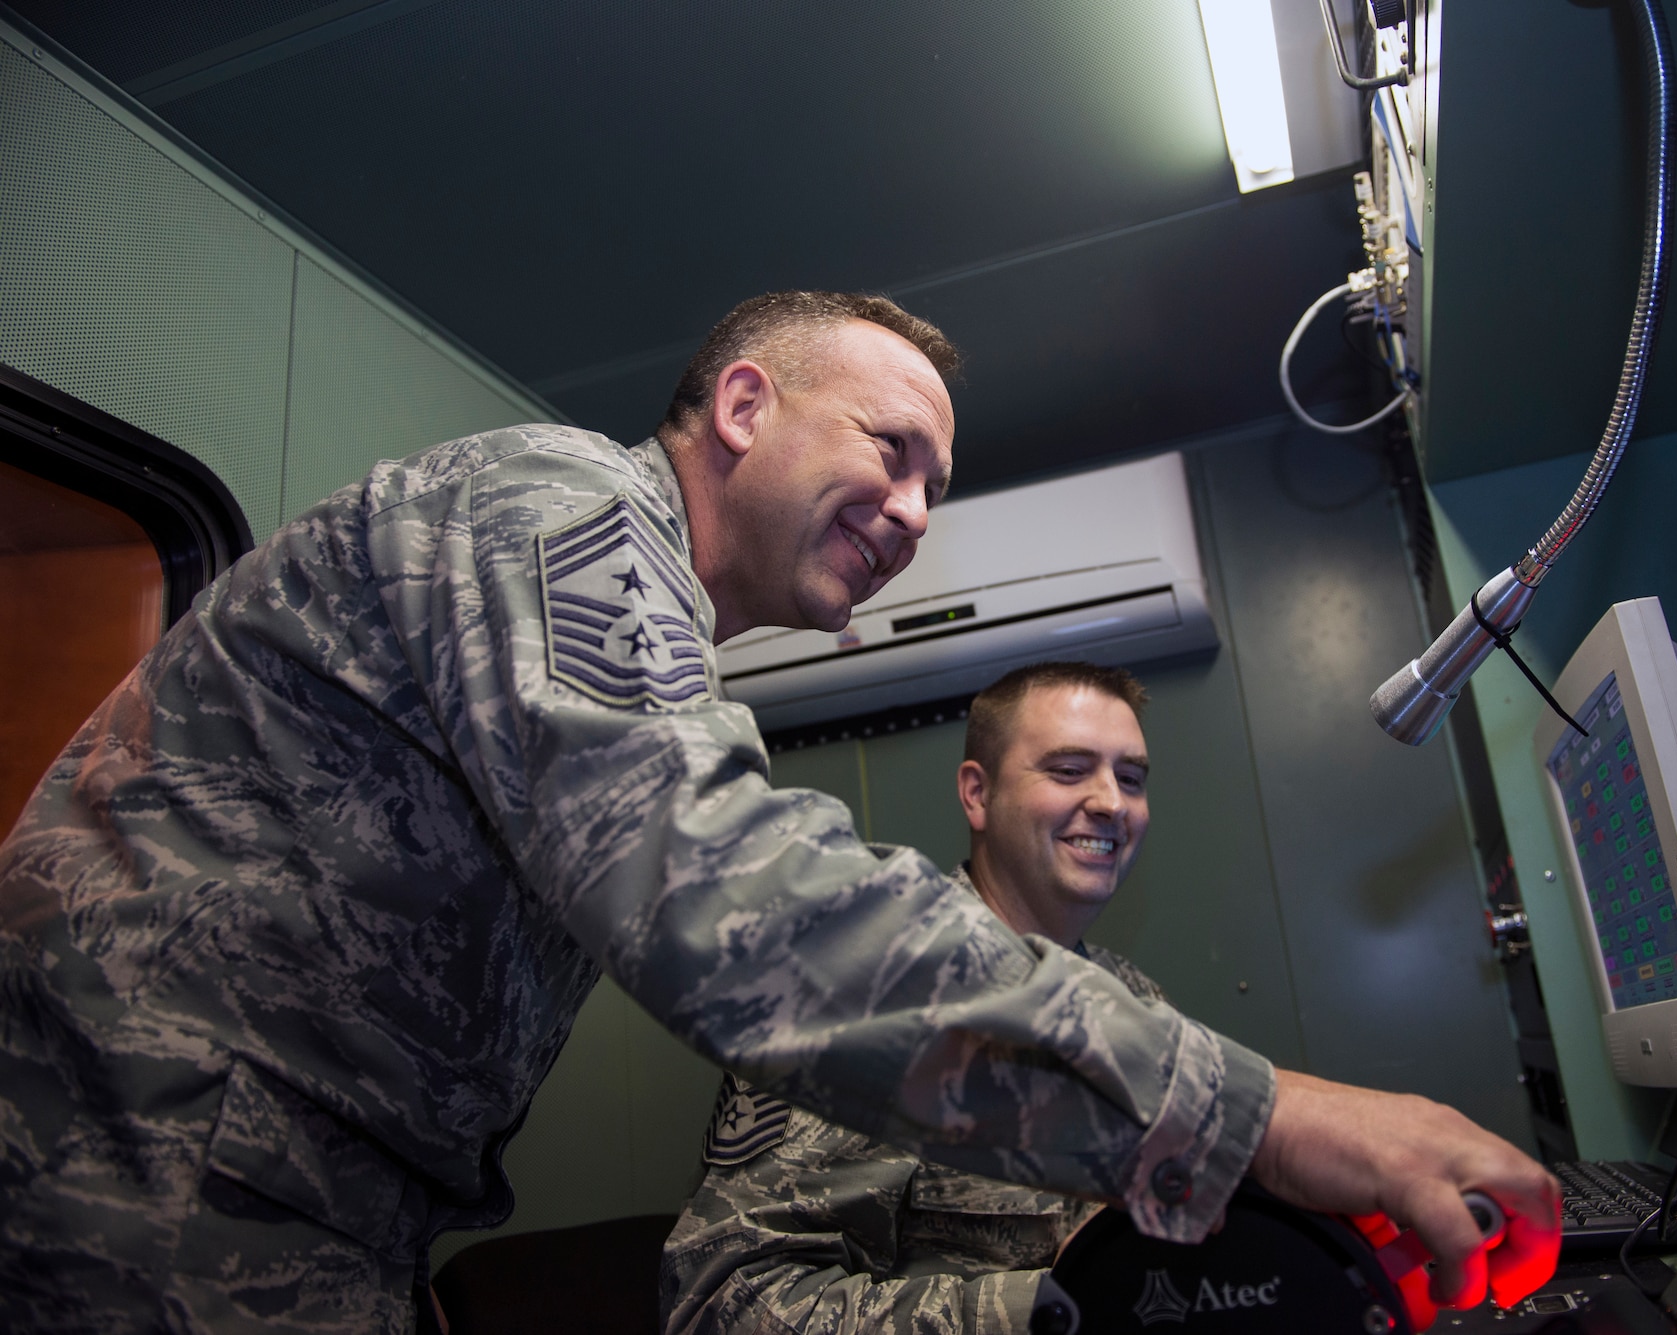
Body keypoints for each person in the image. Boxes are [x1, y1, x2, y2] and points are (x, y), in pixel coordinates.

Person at [0, 292, 1558, 1333]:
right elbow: (725, 887)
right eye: (894, 450)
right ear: (745, 403)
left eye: (940, 485)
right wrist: (1261, 1114)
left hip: (291, 1202)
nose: (916, 513)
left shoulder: (649, 637)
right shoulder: (562, 501)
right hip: (147, 1171)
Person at [663, 661, 1178, 1334]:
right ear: (977, 793)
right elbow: (721, 1303)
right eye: (1069, 769)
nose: (1112, 801)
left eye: (1131, 777)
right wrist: (1046, 1311)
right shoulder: (863, 995)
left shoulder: (1140, 1003)